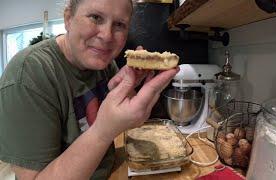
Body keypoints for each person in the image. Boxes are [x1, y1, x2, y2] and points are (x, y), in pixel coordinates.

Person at [0, 0, 179, 179]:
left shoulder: (104, 63)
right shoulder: (27, 76)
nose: (107, 36)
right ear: (68, 18)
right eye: (95, 17)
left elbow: (116, 118)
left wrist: (129, 89)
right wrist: (103, 131)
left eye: (119, 24)